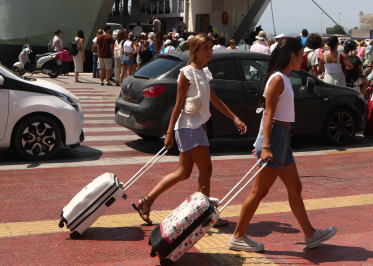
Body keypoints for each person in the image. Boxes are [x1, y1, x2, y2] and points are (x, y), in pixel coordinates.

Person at [229, 37, 337, 252]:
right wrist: (265, 145)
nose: (304, 57)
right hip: (276, 137)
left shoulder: (285, 78)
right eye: (301, 54)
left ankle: (310, 234)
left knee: (295, 187)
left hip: (282, 135)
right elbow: (268, 114)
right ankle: (238, 236)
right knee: (259, 191)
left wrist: (281, 133)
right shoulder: (277, 79)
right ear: (292, 56)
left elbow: (274, 113)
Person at [132, 34, 247, 225]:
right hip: (188, 127)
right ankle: (204, 214)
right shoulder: (187, 73)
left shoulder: (204, 72)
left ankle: (146, 201)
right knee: (206, 169)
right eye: (206, 48)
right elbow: (177, 105)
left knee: (183, 172)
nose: (210, 51)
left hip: (195, 127)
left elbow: (215, 99)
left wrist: (235, 118)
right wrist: (169, 132)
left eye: (211, 47)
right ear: (195, 51)